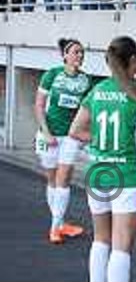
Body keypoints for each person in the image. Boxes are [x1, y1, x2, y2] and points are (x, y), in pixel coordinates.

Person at [68, 36, 136, 282]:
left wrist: (101, 141)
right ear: (132, 61)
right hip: (128, 175)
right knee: (122, 247)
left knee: (100, 239)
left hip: (97, 172)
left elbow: (75, 130)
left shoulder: (96, 91)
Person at [34, 39, 92, 244]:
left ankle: (54, 227)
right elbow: (39, 106)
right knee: (52, 180)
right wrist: (46, 132)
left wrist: (84, 134)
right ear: (65, 55)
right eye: (75, 52)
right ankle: (59, 223)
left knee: (64, 177)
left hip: (70, 136)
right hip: (49, 134)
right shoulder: (52, 75)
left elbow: (86, 111)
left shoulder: (86, 80)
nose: (79, 56)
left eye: (82, 53)